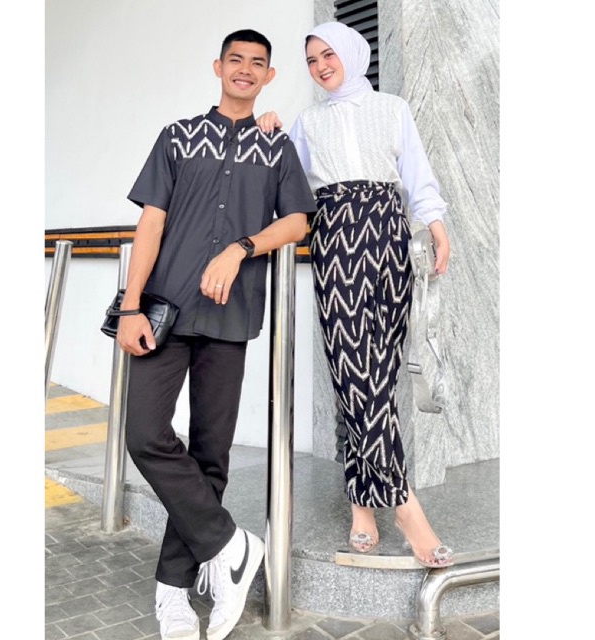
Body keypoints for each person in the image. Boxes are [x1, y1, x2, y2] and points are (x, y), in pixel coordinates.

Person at [118, 29, 316, 640]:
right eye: (236, 60)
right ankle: (231, 546)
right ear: (218, 67)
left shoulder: (276, 147)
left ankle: (175, 593)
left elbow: (298, 221)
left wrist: (241, 247)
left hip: (230, 318)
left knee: (211, 455)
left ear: (269, 76)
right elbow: (150, 224)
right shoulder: (177, 136)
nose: (246, 69)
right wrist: (130, 306)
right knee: (145, 434)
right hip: (165, 311)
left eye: (258, 63)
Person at [257, 21, 453, 567]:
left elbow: (416, 173)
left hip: (390, 235)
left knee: (379, 376)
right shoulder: (307, 121)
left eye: (328, 55)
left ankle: (361, 504)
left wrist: (436, 226)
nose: (320, 66)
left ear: (350, 53)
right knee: (353, 372)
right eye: (311, 60)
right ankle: (405, 506)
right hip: (337, 235)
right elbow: (285, 184)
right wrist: (269, 133)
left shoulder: (392, 109)